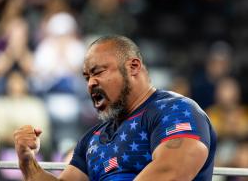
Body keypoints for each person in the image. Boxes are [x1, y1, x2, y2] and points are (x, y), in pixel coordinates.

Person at [13, 35, 217, 181]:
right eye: (87, 77)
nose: (91, 83)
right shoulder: (91, 139)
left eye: (98, 72)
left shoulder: (176, 110)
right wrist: (27, 160)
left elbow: (171, 173)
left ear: (133, 67)